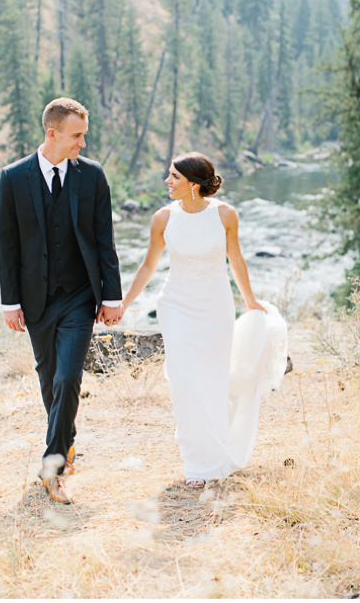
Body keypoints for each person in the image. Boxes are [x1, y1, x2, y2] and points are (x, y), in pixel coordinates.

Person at [120, 152, 286, 488]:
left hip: (215, 307)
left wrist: (250, 301)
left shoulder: (225, 215)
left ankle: (216, 453)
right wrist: (124, 304)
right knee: (184, 382)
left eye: (174, 177)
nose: (167, 181)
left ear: (194, 184)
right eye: (169, 175)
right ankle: (195, 461)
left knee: (212, 381)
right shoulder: (162, 218)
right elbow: (148, 267)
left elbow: (235, 260)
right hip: (176, 305)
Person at [0, 98, 124, 504]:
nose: (82, 144)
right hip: (34, 300)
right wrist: (9, 302)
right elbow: (8, 246)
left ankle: (52, 469)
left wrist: (112, 296)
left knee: (69, 378)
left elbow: (105, 240)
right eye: (76, 136)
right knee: (51, 383)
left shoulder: (92, 177)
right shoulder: (14, 177)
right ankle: (66, 442)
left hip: (80, 296)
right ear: (52, 134)